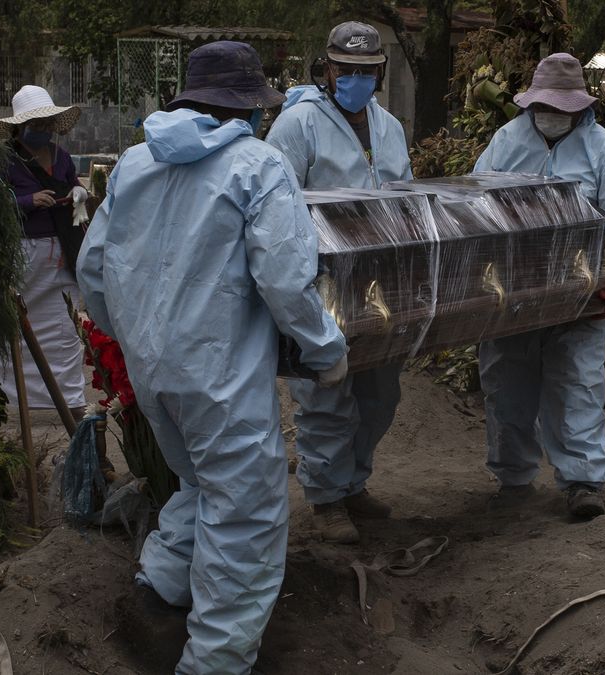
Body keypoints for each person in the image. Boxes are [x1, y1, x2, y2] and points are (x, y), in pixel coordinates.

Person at [77, 41, 347, 674]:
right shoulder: (258, 165)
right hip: (221, 379)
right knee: (247, 512)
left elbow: (93, 269)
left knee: (200, 483)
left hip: (152, 372)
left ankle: (162, 585)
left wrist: (140, 333)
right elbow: (285, 279)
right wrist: (323, 349)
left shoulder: (135, 163)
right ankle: (215, 661)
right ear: (251, 109)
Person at [471, 53, 605, 519]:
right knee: (507, 385)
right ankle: (513, 478)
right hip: (512, 292)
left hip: (581, 291)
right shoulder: (505, 142)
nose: (551, 115)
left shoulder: (604, 150)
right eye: (545, 106)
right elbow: (470, 210)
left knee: (577, 384)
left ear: (578, 107)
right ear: (531, 104)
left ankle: (583, 482)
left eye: (560, 107)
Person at [265, 20, 411, 544]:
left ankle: (353, 483)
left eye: (366, 71)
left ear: (379, 72)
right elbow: (276, 209)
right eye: (346, 70)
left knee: (379, 393)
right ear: (326, 69)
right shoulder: (296, 125)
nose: (356, 79)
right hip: (321, 283)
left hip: (380, 284)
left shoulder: (389, 126)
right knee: (325, 392)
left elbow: (404, 197)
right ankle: (326, 498)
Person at [0, 85, 89, 419]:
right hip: (23, 252)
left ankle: (68, 398)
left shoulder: (61, 156)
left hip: (62, 251)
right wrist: (27, 202)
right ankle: (14, 397)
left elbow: (76, 189)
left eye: (47, 123)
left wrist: (78, 194)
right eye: (37, 124)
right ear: (21, 127)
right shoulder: (4, 159)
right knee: (20, 320)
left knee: (65, 324)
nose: (43, 129)